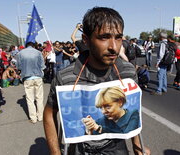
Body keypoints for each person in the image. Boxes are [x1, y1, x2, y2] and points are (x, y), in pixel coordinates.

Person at [43, 7, 150, 155]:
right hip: (79, 149)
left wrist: (137, 145)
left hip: (116, 147)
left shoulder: (127, 71)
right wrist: (55, 152)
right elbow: (49, 112)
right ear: (86, 40)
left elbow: (133, 109)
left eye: (118, 38)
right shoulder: (66, 77)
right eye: (104, 37)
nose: (114, 47)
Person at [17, 42, 46, 124]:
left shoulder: (20, 53)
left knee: (30, 99)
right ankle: (40, 116)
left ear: (26, 46)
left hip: (27, 77)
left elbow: (19, 66)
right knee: (39, 98)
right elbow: (42, 66)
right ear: (33, 46)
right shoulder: (38, 52)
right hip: (38, 77)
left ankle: (33, 118)